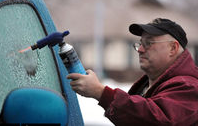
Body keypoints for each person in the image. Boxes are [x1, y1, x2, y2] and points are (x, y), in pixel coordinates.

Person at [67, 18, 198, 126]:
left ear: (172, 48)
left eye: (149, 43)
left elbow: (156, 120)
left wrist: (101, 93)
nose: (140, 49)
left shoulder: (189, 86)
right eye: (140, 43)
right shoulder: (151, 84)